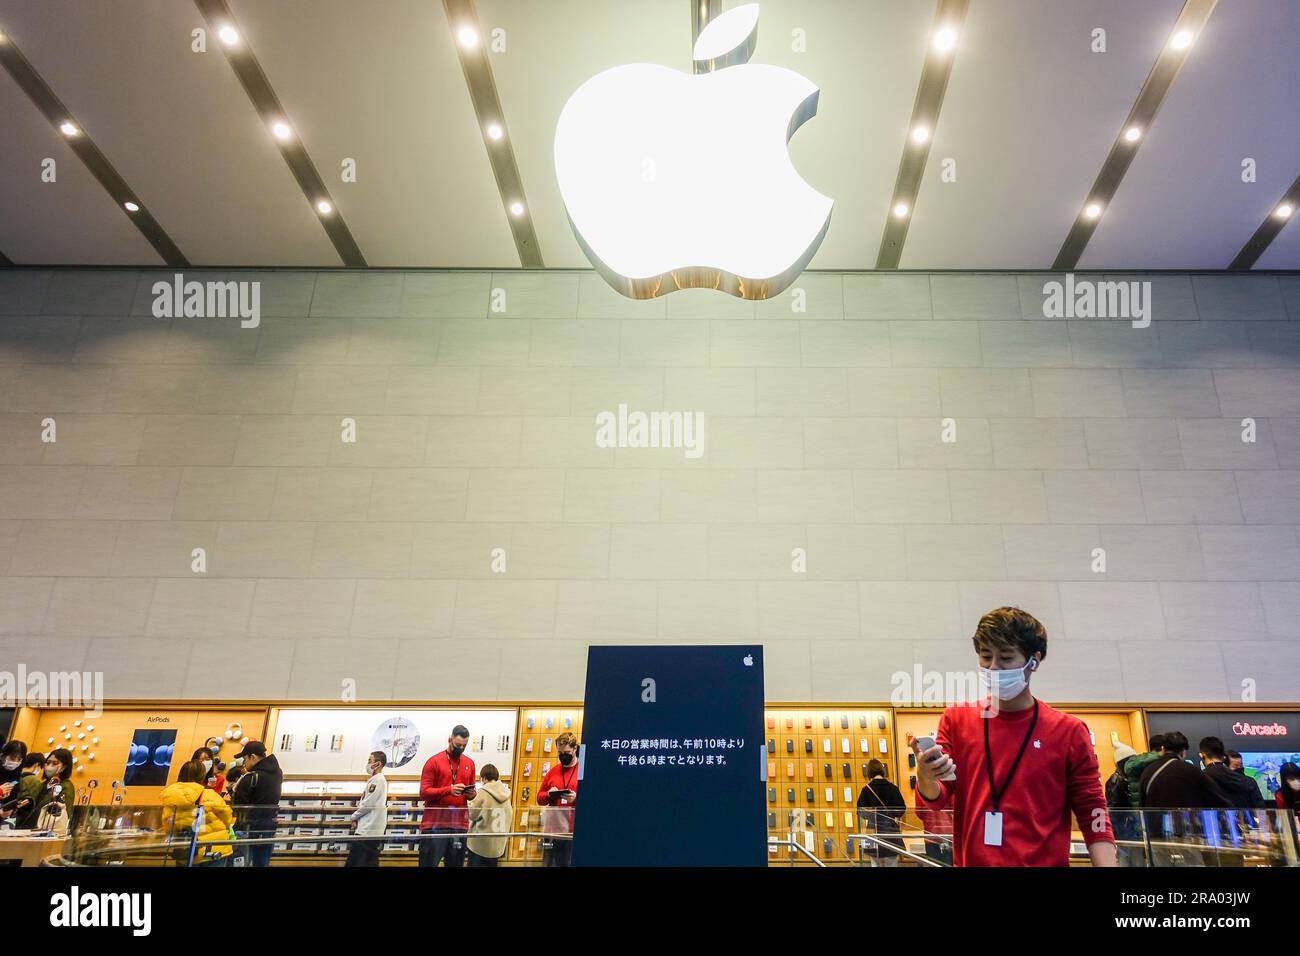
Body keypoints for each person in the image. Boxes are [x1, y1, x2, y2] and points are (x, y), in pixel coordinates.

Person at [911, 607, 1117, 867]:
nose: (993, 667)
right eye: (986, 657)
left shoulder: (1069, 731)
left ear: (1034, 661)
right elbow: (937, 797)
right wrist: (926, 777)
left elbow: (1093, 811)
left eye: (1006, 658)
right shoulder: (956, 719)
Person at [418, 724, 476, 868]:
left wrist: (472, 794)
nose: (461, 749)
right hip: (434, 825)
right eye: (458, 745)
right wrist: (448, 790)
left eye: (464, 746)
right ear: (449, 739)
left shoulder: (470, 763)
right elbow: (424, 793)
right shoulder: (433, 762)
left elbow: (472, 793)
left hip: (459, 825)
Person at [160, 759, 235, 866]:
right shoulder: (209, 795)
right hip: (213, 851)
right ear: (201, 776)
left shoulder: (170, 797)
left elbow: (167, 825)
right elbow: (227, 817)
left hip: (185, 850)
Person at [230, 741, 282, 867]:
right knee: (261, 861)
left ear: (253, 757)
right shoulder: (277, 773)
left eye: (245, 758)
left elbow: (239, 803)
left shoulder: (251, 777)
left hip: (250, 826)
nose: (244, 763)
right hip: (268, 825)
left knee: (242, 860)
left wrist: (234, 790)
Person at [537, 731, 579, 867]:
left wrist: (576, 799)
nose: (563, 756)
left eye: (566, 753)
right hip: (552, 830)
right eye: (560, 753)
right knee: (549, 863)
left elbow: (594, 801)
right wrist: (549, 795)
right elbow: (539, 798)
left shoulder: (582, 771)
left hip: (572, 831)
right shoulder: (553, 772)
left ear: (575, 749)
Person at [10, 748, 75, 831]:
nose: (49, 766)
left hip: (46, 830)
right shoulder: (43, 784)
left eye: (55, 763)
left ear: (64, 767)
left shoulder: (66, 786)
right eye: (48, 762)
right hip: (26, 828)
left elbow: (64, 812)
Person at [856, 759, 905, 866]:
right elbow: (901, 811)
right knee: (891, 863)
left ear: (869, 772)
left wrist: (872, 814)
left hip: (872, 830)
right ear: (882, 771)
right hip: (890, 830)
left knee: (875, 863)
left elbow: (860, 812)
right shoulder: (893, 788)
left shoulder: (866, 789)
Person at [346, 751, 388, 867]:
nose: (368, 764)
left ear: (377, 764)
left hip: (367, 831)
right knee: (370, 862)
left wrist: (354, 817)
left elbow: (368, 804)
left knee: (356, 862)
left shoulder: (378, 780)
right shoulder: (376, 780)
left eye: (370, 761)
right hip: (370, 830)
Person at [1199, 737, 1264, 809]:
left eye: (1240, 765)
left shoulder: (1201, 778)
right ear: (1223, 758)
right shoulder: (1249, 782)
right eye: (1235, 765)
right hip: (1244, 819)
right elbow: (1260, 809)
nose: (1239, 768)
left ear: (1202, 755)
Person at [466, 764, 511, 867]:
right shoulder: (505, 793)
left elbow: (472, 814)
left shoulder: (483, 792)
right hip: (496, 845)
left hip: (480, 845)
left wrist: (469, 802)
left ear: (484, 778)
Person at [1105, 742, 1143, 863]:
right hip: (1129, 831)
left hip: (1121, 832)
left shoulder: (1113, 779)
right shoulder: (1121, 781)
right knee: (1134, 861)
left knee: (1126, 861)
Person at [1123, 734, 1164, 809]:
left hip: (1138, 810)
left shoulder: (1137, 761)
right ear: (1163, 747)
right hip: (1155, 809)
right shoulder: (1158, 761)